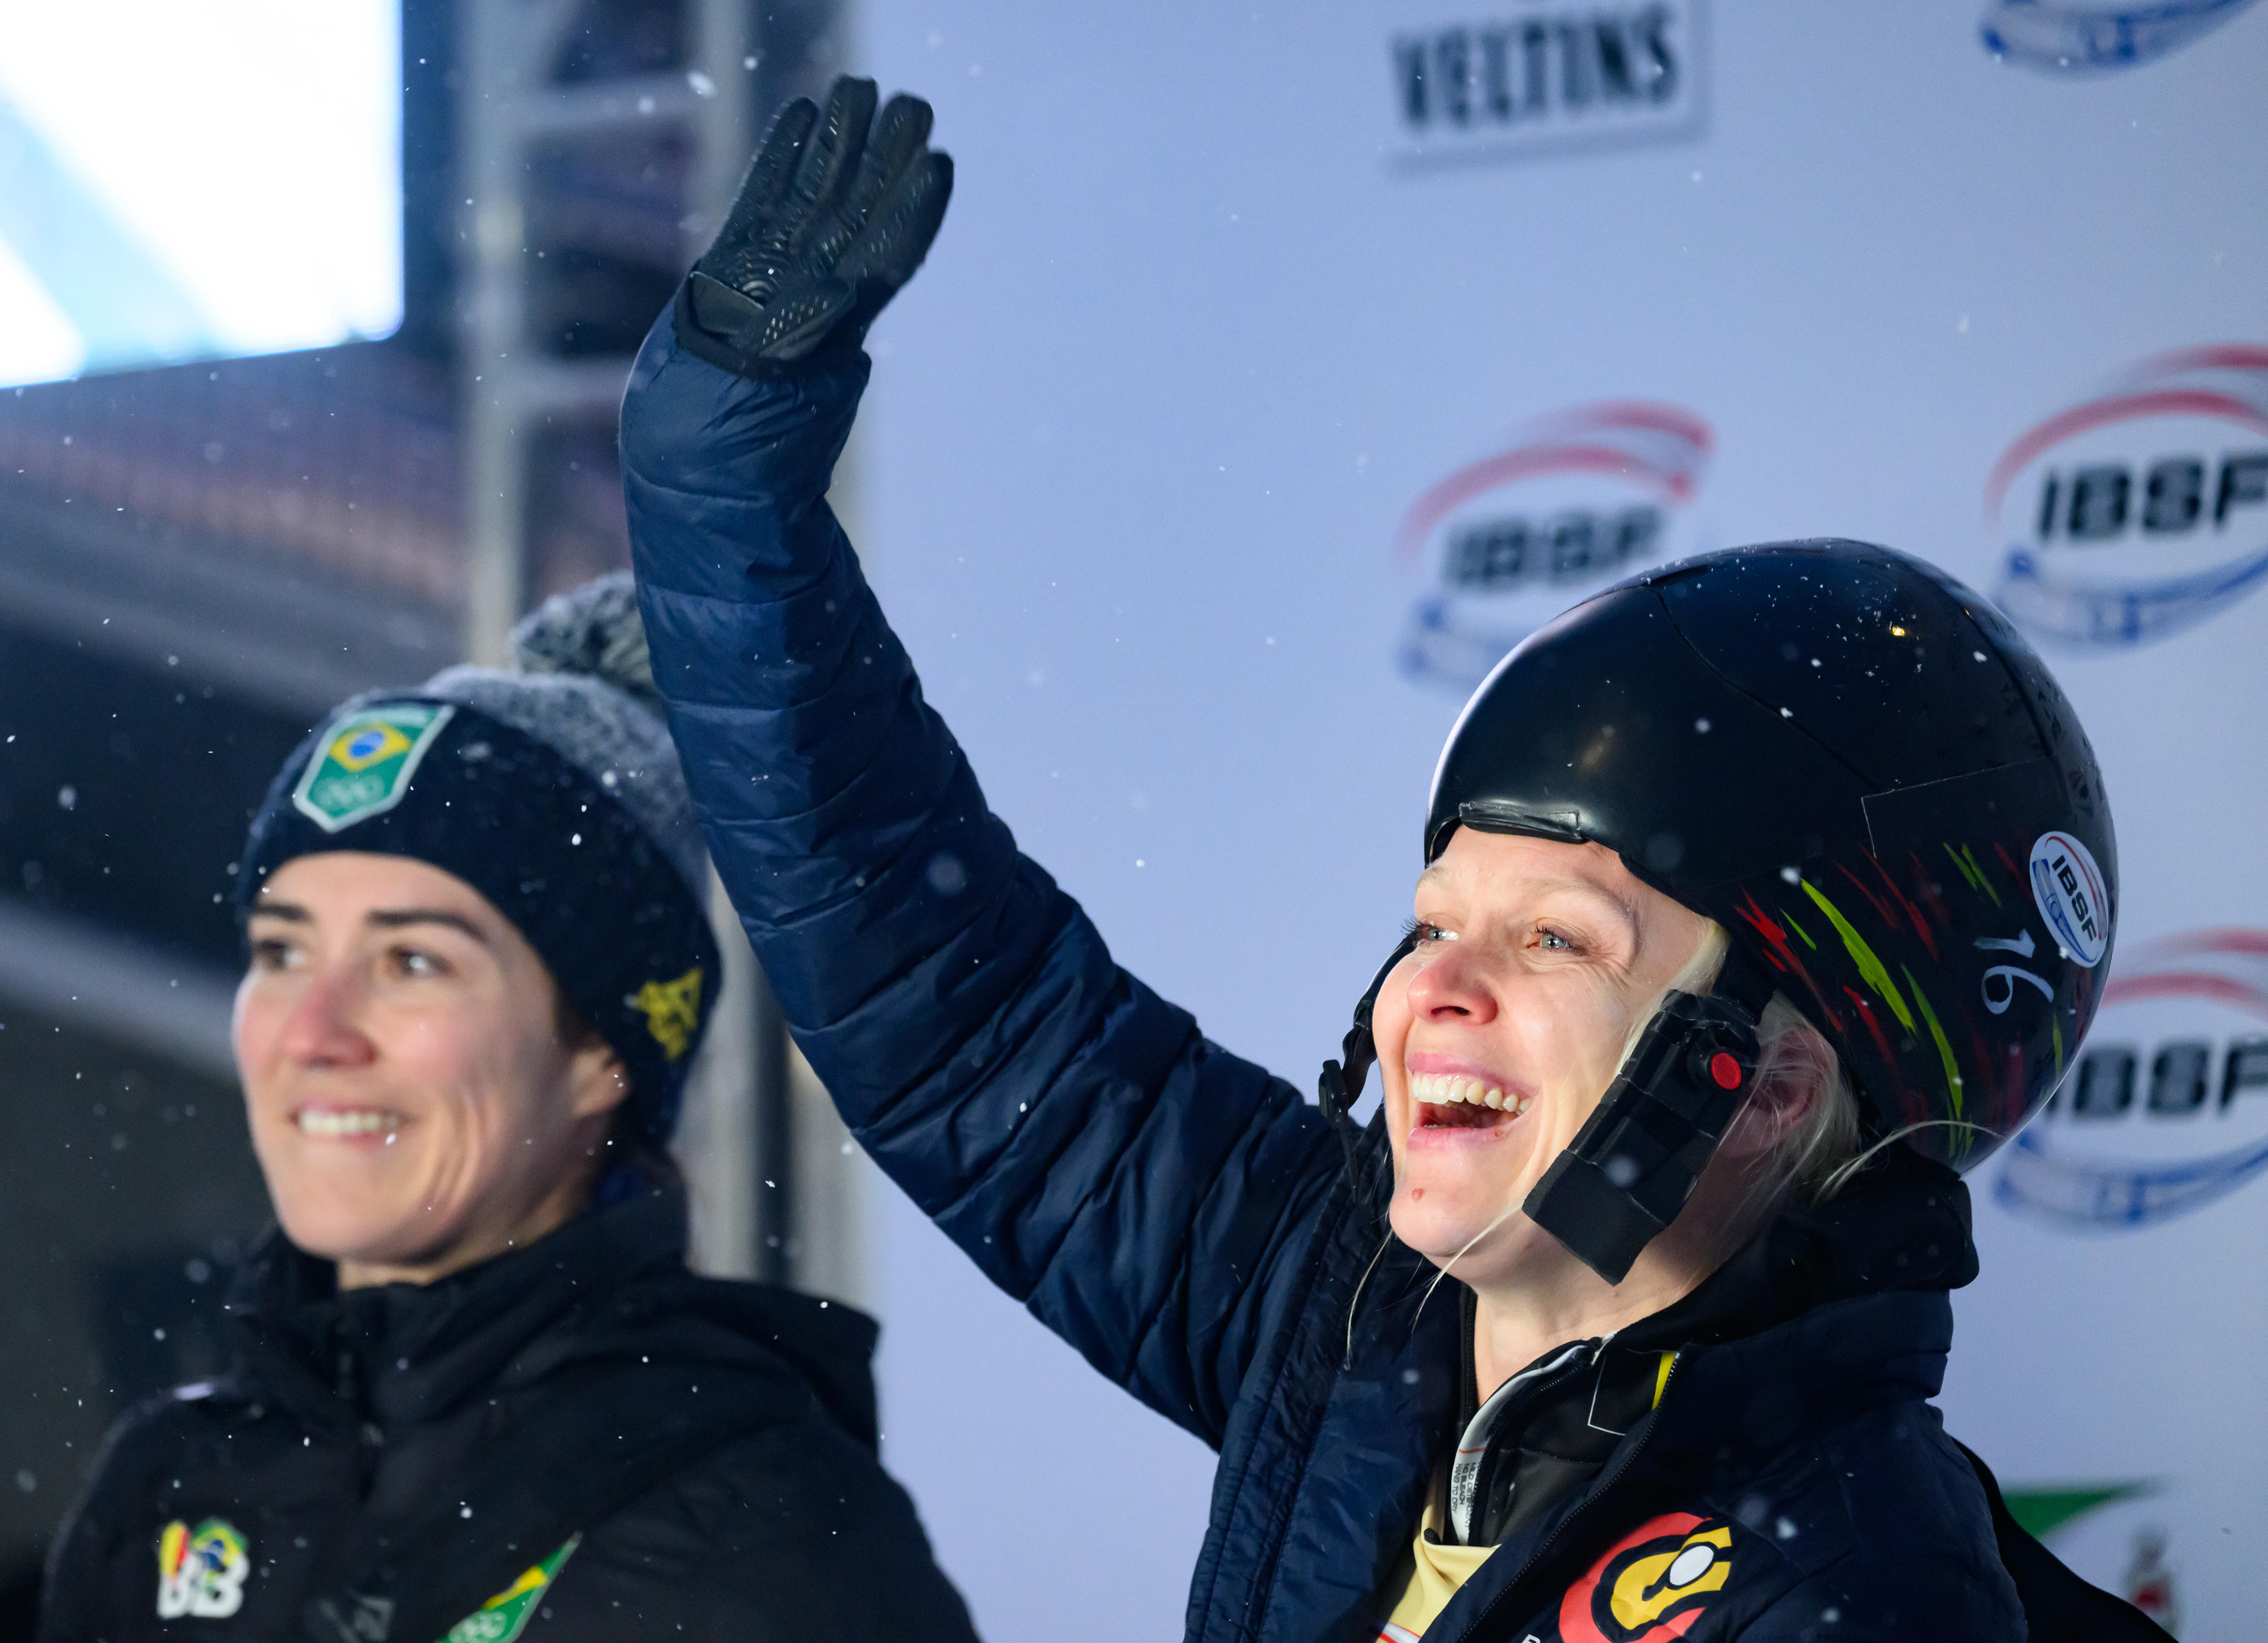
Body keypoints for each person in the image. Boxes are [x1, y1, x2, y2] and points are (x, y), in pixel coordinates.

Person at [617, 79, 2167, 1643]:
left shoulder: (1853, 1585)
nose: (1432, 994)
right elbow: (953, 1007)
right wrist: (716, 474)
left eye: (1557, 938)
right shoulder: (1341, 1315)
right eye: (1434, 924)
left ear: (1769, 1084)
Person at [39, 575, 977, 1642]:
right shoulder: (169, 1485)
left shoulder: (768, 1547)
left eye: (412, 961)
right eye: (283, 951)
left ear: (603, 1052)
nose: (313, 1032)